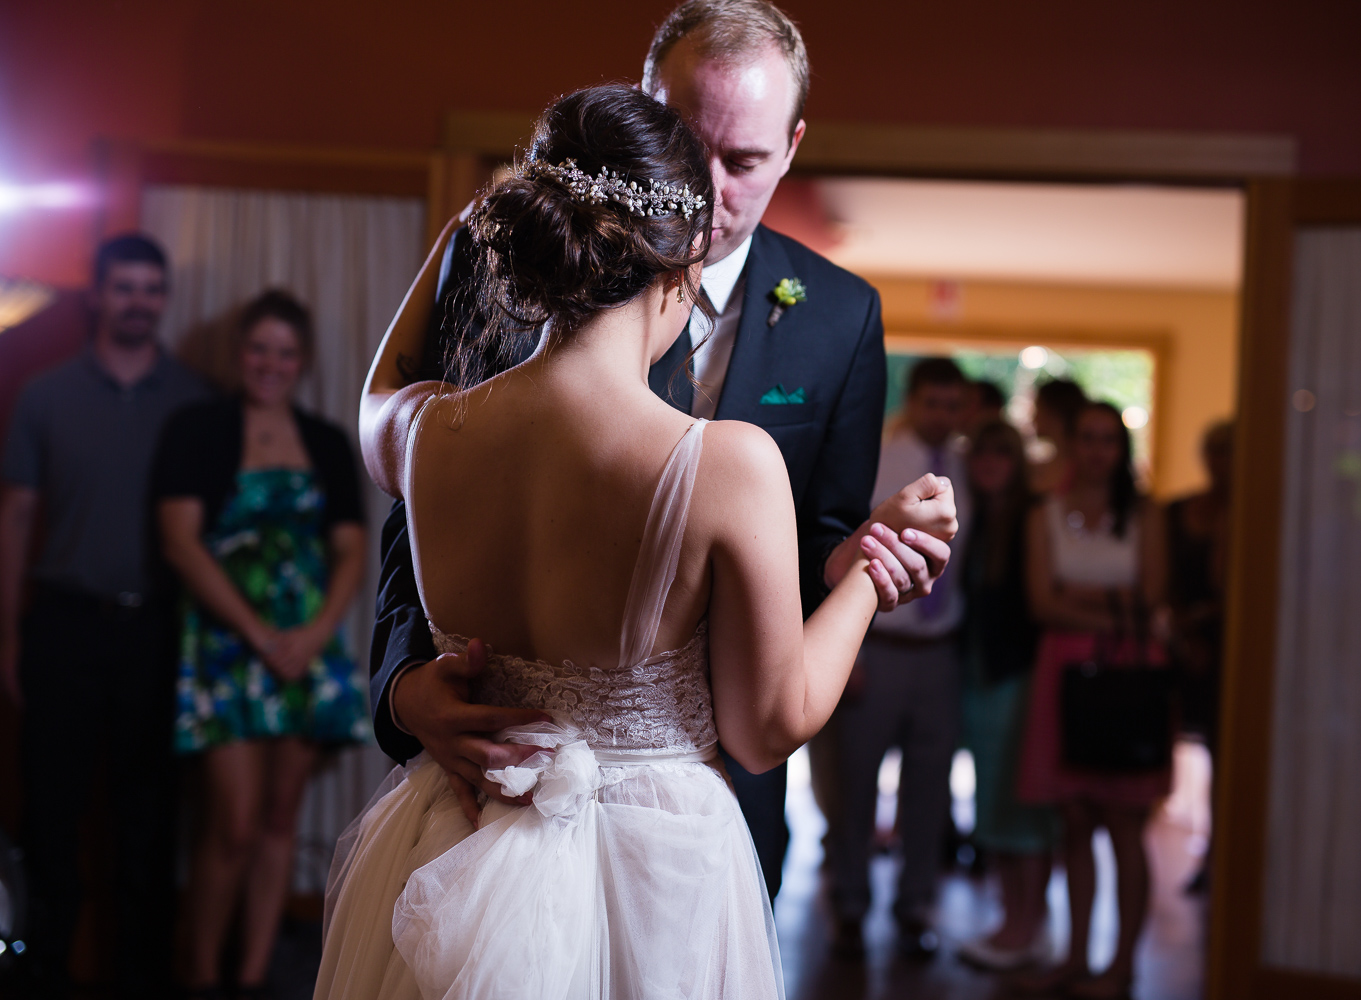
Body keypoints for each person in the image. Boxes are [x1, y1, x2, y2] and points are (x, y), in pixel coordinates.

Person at [315, 83, 957, 1000]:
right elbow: (768, 727)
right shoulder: (728, 464)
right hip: (652, 873)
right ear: (689, 261)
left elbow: (380, 392)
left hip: (456, 844)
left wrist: (461, 233)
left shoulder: (426, 436)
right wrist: (866, 570)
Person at [0, 234, 208, 998]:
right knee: (49, 813)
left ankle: (139, 980)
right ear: (96, 296)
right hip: (62, 624)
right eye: (123, 287)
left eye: (151, 289)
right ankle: (43, 974)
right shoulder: (44, 393)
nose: (138, 301)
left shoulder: (195, 399)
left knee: (145, 823)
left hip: (156, 632)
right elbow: (16, 518)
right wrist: (10, 636)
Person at [153, 290, 369, 997]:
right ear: (238, 353)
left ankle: (251, 978)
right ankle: (201, 974)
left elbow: (350, 552)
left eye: (284, 352)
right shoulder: (196, 429)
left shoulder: (329, 441)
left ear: (301, 361)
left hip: (305, 650)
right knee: (234, 825)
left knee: (281, 819)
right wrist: (259, 636)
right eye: (258, 349)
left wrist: (309, 637)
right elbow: (181, 545)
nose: (269, 364)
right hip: (225, 646)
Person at [1012, 401, 1169, 999]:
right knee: (1073, 821)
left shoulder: (1146, 515)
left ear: (1122, 449)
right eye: (1088, 438)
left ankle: (1123, 966)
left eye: (1109, 439)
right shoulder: (1045, 515)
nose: (1098, 449)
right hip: (1063, 671)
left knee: (1126, 824)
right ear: (1072, 444)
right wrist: (1113, 600)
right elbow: (1041, 604)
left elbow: (1151, 598)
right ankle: (1077, 956)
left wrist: (1077, 595)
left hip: (1131, 672)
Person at [827, 357, 972, 960]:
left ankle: (916, 904)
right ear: (914, 402)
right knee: (855, 782)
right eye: (932, 402)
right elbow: (854, 555)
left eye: (952, 404)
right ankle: (851, 903)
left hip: (939, 654)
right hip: (878, 647)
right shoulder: (882, 462)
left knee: (931, 789)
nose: (942, 415)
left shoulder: (967, 469)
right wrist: (849, 653)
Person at [954, 419, 1055, 971]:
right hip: (982, 675)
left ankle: (1028, 927)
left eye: (1002, 454)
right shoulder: (978, 516)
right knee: (994, 803)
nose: (990, 463)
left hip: (1016, 679)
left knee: (1021, 808)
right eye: (982, 453)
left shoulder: (1030, 517)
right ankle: (1015, 922)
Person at [1166, 419, 1232, 894]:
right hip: (1174, 647)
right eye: (1216, 451)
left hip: (1230, 652)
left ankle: (1221, 855)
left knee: (1225, 755)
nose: (1222, 462)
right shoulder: (1176, 513)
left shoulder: (1254, 515)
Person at [1027, 377, 1087, 495]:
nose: (1033, 419)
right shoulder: (1045, 467)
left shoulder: (1081, 469)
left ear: (1054, 413)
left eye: (1038, 409)